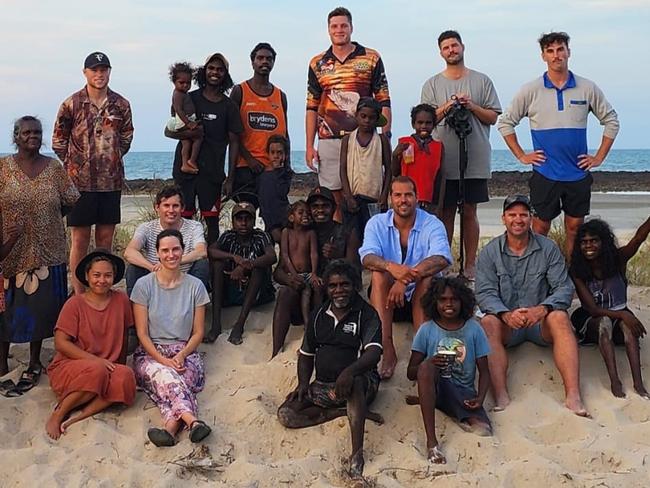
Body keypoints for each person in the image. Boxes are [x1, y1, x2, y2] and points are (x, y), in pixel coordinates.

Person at [498, 31, 619, 257]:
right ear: (543, 56)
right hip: (545, 172)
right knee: (540, 228)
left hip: (577, 173)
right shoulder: (530, 90)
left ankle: (572, 275)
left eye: (560, 49)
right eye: (550, 51)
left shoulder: (587, 87)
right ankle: (538, 272)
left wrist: (599, 156)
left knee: (575, 229)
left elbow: (611, 120)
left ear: (568, 52)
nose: (556, 55)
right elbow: (505, 123)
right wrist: (521, 155)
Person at [476, 195, 589, 416]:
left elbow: (564, 288)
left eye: (523, 215)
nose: (517, 219)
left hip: (540, 322)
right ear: (503, 218)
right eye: (512, 215)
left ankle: (573, 396)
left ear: (531, 218)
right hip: (507, 323)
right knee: (488, 322)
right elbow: (484, 292)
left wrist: (543, 308)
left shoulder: (548, 248)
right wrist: (505, 314)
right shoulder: (490, 251)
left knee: (560, 318)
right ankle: (501, 395)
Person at [277, 260, 383, 479]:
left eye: (345, 284)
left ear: (355, 285)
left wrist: (350, 372)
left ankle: (357, 454)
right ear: (326, 288)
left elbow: (373, 354)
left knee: (354, 385)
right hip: (324, 386)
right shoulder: (318, 314)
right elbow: (306, 355)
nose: (339, 290)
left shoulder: (367, 314)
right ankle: (343, 412)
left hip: (360, 384)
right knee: (286, 414)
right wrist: (303, 383)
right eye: (333, 286)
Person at [0, 116, 80, 395]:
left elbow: (70, 200)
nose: (33, 136)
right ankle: (2, 363)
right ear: (16, 136)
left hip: (49, 250)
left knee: (40, 309)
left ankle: (34, 361)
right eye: (27, 132)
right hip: (11, 251)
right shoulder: (4, 168)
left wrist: (48, 219)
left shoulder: (53, 167)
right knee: (7, 308)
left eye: (37, 132)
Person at [421, 30, 501, 279]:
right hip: (443, 160)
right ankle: (443, 262)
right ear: (440, 52)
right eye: (446, 47)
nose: (451, 51)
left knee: (469, 211)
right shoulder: (432, 84)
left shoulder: (482, 81)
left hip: (474, 157)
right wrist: (448, 106)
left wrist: (471, 106)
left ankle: (470, 264)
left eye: (454, 46)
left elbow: (493, 117)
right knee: (444, 212)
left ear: (462, 47)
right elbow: (425, 121)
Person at [53, 51, 134, 295]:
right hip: (80, 185)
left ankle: (102, 289)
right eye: (94, 70)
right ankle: (78, 293)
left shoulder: (121, 104)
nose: (99, 74)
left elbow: (127, 136)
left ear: (109, 72)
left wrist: (111, 158)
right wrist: (76, 166)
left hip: (111, 183)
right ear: (85, 72)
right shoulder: (72, 103)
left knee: (105, 240)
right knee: (79, 240)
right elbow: (59, 140)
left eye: (104, 69)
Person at [359, 176, 452, 379]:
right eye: (398, 195)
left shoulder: (432, 223)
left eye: (408, 195)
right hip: (388, 298)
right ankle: (387, 348)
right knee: (378, 274)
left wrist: (404, 279)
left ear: (417, 197)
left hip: (424, 298)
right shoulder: (377, 223)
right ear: (391, 198)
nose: (403, 200)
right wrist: (390, 267)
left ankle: (419, 351)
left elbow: (442, 258)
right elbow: (367, 257)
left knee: (428, 278)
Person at [306, 6, 391, 221]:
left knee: (366, 195)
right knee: (332, 197)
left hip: (363, 139)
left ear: (351, 27)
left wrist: (385, 136)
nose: (339, 29)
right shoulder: (317, 62)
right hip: (329, 139)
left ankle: (367, 247)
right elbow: (311, 106)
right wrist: (309, 146)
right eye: (334, 26)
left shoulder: (371, 57)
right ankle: (340, 250)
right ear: (328, 30)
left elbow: (384, 99)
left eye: (344, 25)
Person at [131, 229, 211, 447]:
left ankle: (170, 428)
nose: (171, 254)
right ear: (157, 254)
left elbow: (198, 333)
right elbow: (142, 334)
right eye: (165, 250)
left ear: (183, 250)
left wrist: (182, 354)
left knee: (179, 380)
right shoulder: (144, 286)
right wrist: (163, 359)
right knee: (166, 376)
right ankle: (193, 422)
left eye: (176, 249)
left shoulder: (196, 286)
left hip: (186, 351)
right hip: (151, 353)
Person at [45, 250, 135, 439]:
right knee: (97, 371)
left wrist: (118, 366)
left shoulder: (121, 300)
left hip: (106, 366)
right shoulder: (74, 304)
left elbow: (125, 335)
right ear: (87, 276)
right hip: (73, 365)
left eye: (107, 275)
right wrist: (95, 360)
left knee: (126, 377)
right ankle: (59, 413)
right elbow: (61, 343)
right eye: (96, 275)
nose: (102, 280)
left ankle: (79, 416)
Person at [406, 277, 491, 464]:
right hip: (435, 385)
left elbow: (484, 371)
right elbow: (411, 372)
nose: (448, 304)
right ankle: (432, 443)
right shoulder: (426, 330)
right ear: (434, 302)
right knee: (427, 368)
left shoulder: (474, 329)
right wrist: (430, 361)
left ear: (463, 301)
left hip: (462, 391)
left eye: (454, 299)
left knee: (483, 429)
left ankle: (435, 403)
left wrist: (480, 398)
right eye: (442, 300)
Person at [272, 186, 360, 358]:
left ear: (333, 209)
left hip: (331, 299)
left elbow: (355, 273)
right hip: (303, 297)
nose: (320, 210)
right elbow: (278, 272)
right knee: (284, 292)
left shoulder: (347, 232)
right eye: (315, 206)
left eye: (325, 206)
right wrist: (290, 280)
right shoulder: (299, 231)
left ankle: (315, 341)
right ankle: (276, 350)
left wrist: (337, 259)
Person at [166, 52, 243, 244]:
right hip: (186, 172)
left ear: (225, 74)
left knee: (212, 221)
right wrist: (191, 134)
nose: (215, 72)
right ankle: (182, 265)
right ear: (204, 71)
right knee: (183, 220)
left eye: (219, 69)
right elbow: (169, 131)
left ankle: (212, 267)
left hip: (213, 173)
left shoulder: (229, 106)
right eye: (211, 68)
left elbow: (235, 142)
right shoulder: (188, 97)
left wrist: (230, 178)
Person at [569, 218, 650, 399]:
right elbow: (593, 309)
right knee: (605, 322)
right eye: (584, 242)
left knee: (627, 326)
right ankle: (615, 381)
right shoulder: (577, 270)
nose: (588, 246)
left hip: (619, 314)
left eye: (594, 241)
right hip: (592, 318)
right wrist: (623, 314)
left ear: (603, 242)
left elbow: (638, 239)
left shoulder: (618, 259)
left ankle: (638, 383)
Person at [229, 42, 289, 207]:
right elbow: (232, 134)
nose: (265, 62)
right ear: (252, 62)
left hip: (273, 169)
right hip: (245, 168)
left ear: (273, 63)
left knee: (272, 219)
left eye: (269, 59)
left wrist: (287, 168)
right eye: (260, 58)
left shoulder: (280, 96)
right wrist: (248, 161)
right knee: (245, 217)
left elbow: (285, 135)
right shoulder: (240, 91)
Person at [207, 202, 276, 345]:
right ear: (233, 222)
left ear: (254, 221)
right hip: (232, 291)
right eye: (239, 219)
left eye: (248, 219)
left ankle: (239, 325)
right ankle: (216, 324)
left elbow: (271, 256)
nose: (243, 223)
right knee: (218, 264)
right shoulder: (228, 236)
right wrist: (234, 258)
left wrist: (246, 266)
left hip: (256, 294)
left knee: (259, 269)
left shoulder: (261, 236)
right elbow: (211, 251)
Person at [123, 184, 209, 296]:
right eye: (166, 205)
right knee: (133, 269)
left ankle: (193, 306)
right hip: (155, 278)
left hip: (185, 279)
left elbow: (201, 252)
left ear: (182, 208)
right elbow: (129, 252)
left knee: (202, 265)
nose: (171, 210)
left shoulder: (194, 226)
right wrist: (152, 267)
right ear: (157, 207)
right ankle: (136, 309)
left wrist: (171, 262)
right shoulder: (146, 228)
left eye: (175, 206)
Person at [340, 97, 391, 242]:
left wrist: (384, 196)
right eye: (363, 116)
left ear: (377, 120)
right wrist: (348, 196)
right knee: (353, 239)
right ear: (356, 116)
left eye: (371, 118)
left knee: (374, 238)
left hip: (374, 199)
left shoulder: (381, 140)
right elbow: (342, 169)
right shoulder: (347, 140)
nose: (367, 121)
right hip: (353, 198)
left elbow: (388, 170)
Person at [392, 104, 444, 213]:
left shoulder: (438, 147)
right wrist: (395, 155)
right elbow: (395, 172)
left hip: (428, 200)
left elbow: (440, 177)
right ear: (413, 124)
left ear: (434, 125)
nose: (424, 126)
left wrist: (438, 204)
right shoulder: (404, 144)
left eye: (428, 123)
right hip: (406, 199)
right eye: (420, 123)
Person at [280, 200, 322, 328]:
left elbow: (313, 254)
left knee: (313, 288)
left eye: (308, 213)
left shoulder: (311, 233)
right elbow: (285, 255)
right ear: (291, 217)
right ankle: (306, 321)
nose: (306, 215)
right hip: (292, 273)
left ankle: (312, 321)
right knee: (302, 291)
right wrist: (293, 274)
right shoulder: (286, 232)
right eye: (301, 212)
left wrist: (314, 273)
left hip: (308, 273)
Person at [166, 62, 201, 174]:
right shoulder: (177, 94)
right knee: (198, 138)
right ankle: (191, 160)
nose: (185, 85)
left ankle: (185, 163)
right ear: (174, 82)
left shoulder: (184, 93)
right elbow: (178, 109)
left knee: (186, 143)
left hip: (186, 119)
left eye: (188, 83)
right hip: (183, 120)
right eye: (181, 82)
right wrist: (188, 123)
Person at [258, 135, 292, 243]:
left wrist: (280, 172)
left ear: (285, 155)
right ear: (268, 154)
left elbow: (283, 192)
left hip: (283, 217)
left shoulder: (286, 174)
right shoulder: (263, 175)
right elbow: (263, 199)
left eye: (279, 153)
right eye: (272, 152)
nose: (276, 156)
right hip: (269, 219)